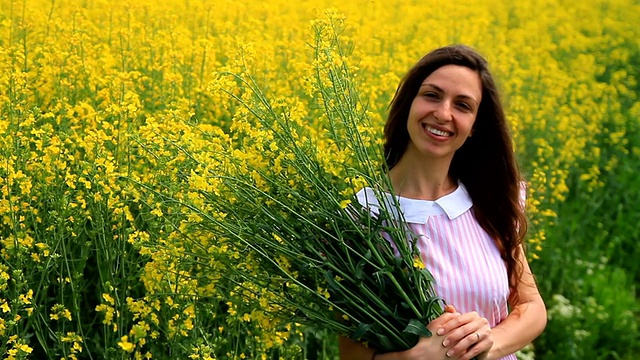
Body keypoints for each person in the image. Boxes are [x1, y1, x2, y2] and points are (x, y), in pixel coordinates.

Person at [339, 45, 547, 360]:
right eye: (432, 95)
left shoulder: (489, 200)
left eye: (462, 105)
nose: (443, 113)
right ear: (409, 102)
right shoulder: (360, 217)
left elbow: (531, 306)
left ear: (475, 125)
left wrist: (485, 345)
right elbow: (350, 350)